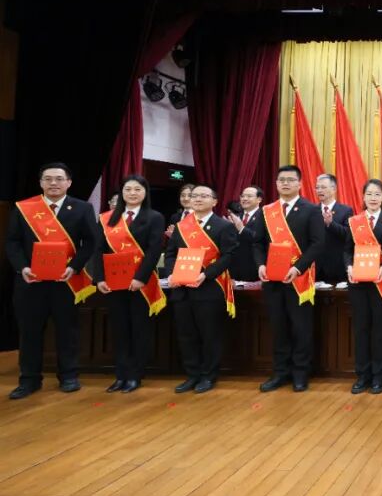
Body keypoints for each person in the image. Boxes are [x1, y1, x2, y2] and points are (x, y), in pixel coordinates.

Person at [6, 162, 97, 400]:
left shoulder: (82, 208)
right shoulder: (24, 208)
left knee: (68, 331)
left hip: (66, 282)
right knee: (30, 333)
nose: (53, 183)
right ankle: (29, 379)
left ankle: (68, 376)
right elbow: (12, 242)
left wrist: (74, 267)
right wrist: (22, 267)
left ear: (69, 182)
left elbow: (91, 242)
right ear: (40, 183)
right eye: (48, 179)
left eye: (58, 179)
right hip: (30, 282)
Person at [90, 174, 165, 393]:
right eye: (128, 189)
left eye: (137, 189)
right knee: (120, 329)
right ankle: (120, 375)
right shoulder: (107, 218)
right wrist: (100, 278)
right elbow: (99, 250)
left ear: (145, 193)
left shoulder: (154, 217)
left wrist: (140, 278)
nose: (132, 193)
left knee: (139, 329)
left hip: (140, 283)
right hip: (114, 282)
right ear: (121, 193)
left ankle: (135, 375)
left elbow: (154, 250)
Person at [254, 165, 325, 393]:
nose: (285, 183)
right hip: (272, 279)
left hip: (299, 279)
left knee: (300, 328)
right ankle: (280, 372)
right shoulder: (267, 211)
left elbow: (317, 243)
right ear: (276, 184)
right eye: (281, 180)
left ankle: (300, 373)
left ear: (300, 184)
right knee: (278, 327)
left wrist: (298, 268)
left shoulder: (311, 210)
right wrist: (260, 264)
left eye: (290, 180)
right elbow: (257, 242)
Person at [163, 183, 237, 394]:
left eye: (204, 196)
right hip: (182, 288)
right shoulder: (181, 226)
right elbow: (171, 254)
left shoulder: (223, 226)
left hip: (209, 288)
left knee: (209, 335)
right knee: (186, 334)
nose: (197, 199)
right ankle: (192, 374)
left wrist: (206, 274)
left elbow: (228, 256)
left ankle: (208, 375)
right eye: (194, 195)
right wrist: (171, 273)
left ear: (214, 201)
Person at [344, 179, 382, 395]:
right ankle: (362, 376)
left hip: (380, 282)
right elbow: (346, 250)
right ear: (363, 197)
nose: (373, 198)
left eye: (377, 194)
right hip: (358, 284)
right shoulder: (354, 222)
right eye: (369, 194)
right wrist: (349, 266)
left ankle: (378, 376)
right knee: (361, 329)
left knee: (380, 330)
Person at [314, 173, 354, 285]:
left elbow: (348, 235)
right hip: (316, 267)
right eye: (317, 187)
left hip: (337, 267)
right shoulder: (312, 210)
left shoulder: (346, 210)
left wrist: (331, 224)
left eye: (323, 187)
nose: (319, 190)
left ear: (334, 189)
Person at [226, 185, 264, 282]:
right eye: (242, 196)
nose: (244, 199)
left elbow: (260, 238)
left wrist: (241, 228)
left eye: (249, 196)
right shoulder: (237, 216)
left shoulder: (265, 216)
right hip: (234, 267)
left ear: (259, 199)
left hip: (254, 267)